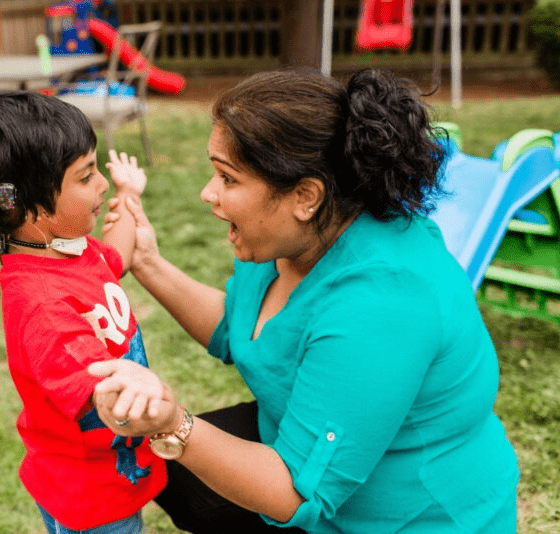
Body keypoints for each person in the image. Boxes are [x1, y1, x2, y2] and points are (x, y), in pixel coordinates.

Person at [87, 68, 520, 533]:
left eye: (228, 178)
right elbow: (243, 328)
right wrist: (148, 262)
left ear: (305, 196)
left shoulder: (380, 303)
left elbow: (293, 491)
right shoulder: (286, 241)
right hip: (307, 449)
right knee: (182, 481)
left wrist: (172, 424)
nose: (208, 194)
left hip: (412, 515)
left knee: (189, 460)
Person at [0, 91, 166, 534]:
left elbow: (114, 260)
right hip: (91, 494)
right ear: (31, 207)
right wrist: (167, 413)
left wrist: (126, 195)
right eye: (86, 177)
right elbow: (106, 399)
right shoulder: (43, 306)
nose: (100, 183)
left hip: (111, 471)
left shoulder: (69, 250)